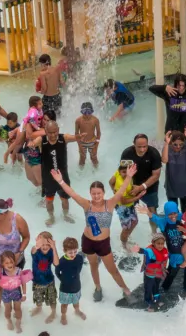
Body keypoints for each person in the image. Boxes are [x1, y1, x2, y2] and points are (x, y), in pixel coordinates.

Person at [53, 166, 134, 302]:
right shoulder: (87, 205)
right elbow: (73, 194)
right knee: (93, 265)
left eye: (99, 193)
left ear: (104, 192)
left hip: (103, 243)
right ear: (90, 193)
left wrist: (129, 176)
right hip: (88, 241)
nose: (96, 196)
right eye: (93, 193)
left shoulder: (110, 204)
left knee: (112, 269)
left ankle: (125, 289)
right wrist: (61, 181)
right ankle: (98, 288)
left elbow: (121, 191)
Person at [30, 115, 81, 226]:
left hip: (63, 177)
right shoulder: (41, 140)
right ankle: (51, 217)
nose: (53, 135)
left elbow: (75, 137)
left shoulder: (64, 138)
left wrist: (81, 137)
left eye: (55, 132)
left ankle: (66, 215)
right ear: (46, 132)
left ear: (58, 130)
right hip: (48, 178)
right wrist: (31, 144)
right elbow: (33, 142)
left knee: (65, 199)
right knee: (49, 200)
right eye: (50, 133)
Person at [161, 127, 186, 208]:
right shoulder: (167, 149)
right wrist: (166, 143)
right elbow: (164, 160)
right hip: (171, 187)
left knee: (185, 212)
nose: (178, 146)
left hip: (185, 187)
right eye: (175, 144)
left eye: (181, 144)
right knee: (173, 211)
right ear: (171, 142)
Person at [29, 232, 59, 322]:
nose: (45, 247)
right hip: (37, 281)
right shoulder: (36, 251)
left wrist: (54, 248)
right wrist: (37, 245)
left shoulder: (51, 251)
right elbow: (33, 250)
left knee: (52, 298)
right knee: (38, 298)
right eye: (43, 244)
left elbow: (56, 263)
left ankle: (53, 312)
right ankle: (39, 308)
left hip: (49, 281)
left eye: (48, 244)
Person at [36, 54, 64, 119]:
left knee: (46, 117)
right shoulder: (57, 69)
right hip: (58, 97)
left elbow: (44, 89)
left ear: (42, 64)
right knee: (57, 117)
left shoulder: (42, 74)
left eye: (40, 64)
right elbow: (62, 82)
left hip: (48, 98)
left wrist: (40, 91)